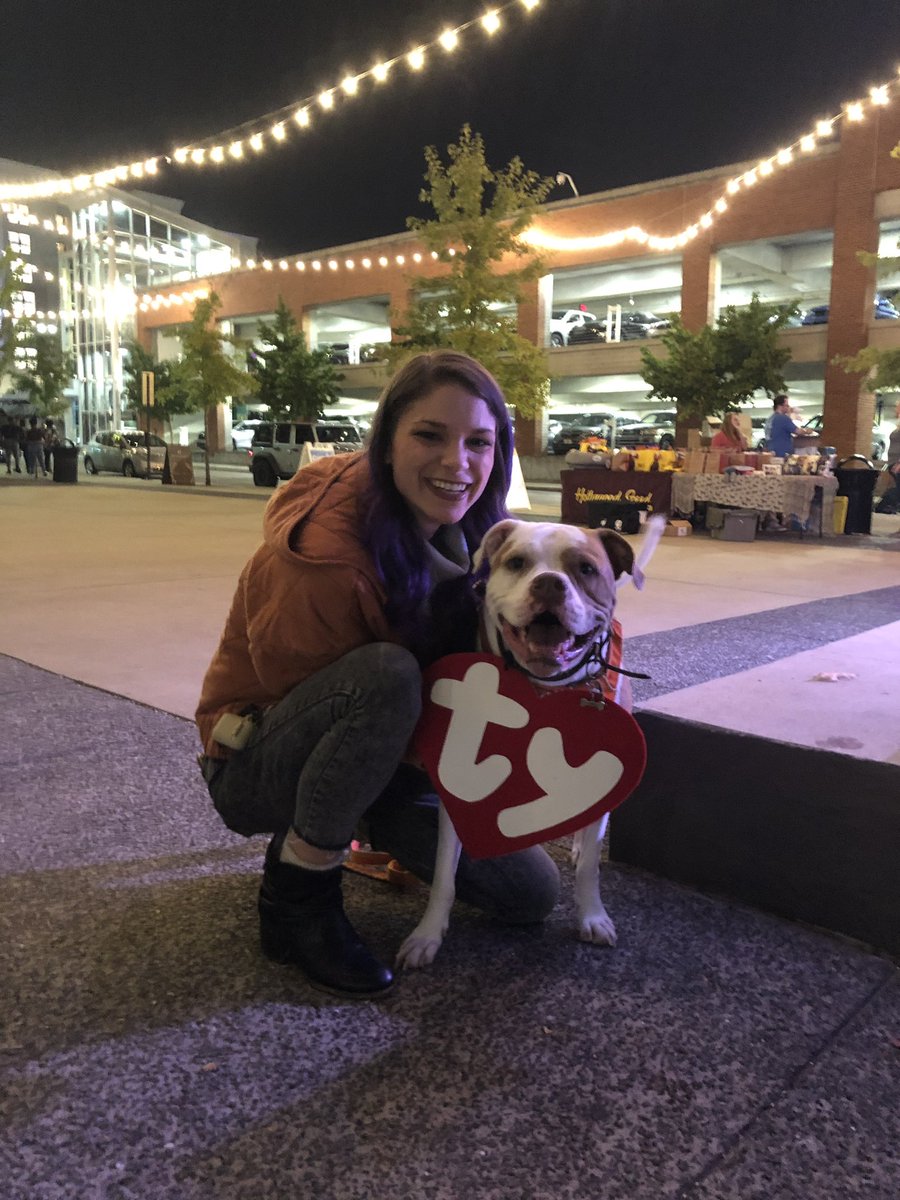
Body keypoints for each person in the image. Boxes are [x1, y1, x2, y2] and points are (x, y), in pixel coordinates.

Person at [195, 351, 559, 998]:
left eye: (479, 441)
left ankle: (350, 831)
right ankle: (297, 899)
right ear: (386, 442)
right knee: (386, 674)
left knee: (530, 894)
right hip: (259, 759)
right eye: (429, 435)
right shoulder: (325, 560)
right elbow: (311, 706)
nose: (458, 463)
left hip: (389, 753)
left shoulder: (477, 533)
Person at [874, 398, 900, 514]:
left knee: (898, 489)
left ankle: (884, 505)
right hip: (892, 461)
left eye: (898, 407)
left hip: (897, 462)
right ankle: (887, 506)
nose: (896, 409)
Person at [766, 394, 800, 459]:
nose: (788, 407)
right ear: (780, 406)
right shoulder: (783, 418)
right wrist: (808, 431)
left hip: (771, 451)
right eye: (787, 405)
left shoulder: (770, 419)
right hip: (783, 453)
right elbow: (797, 431)